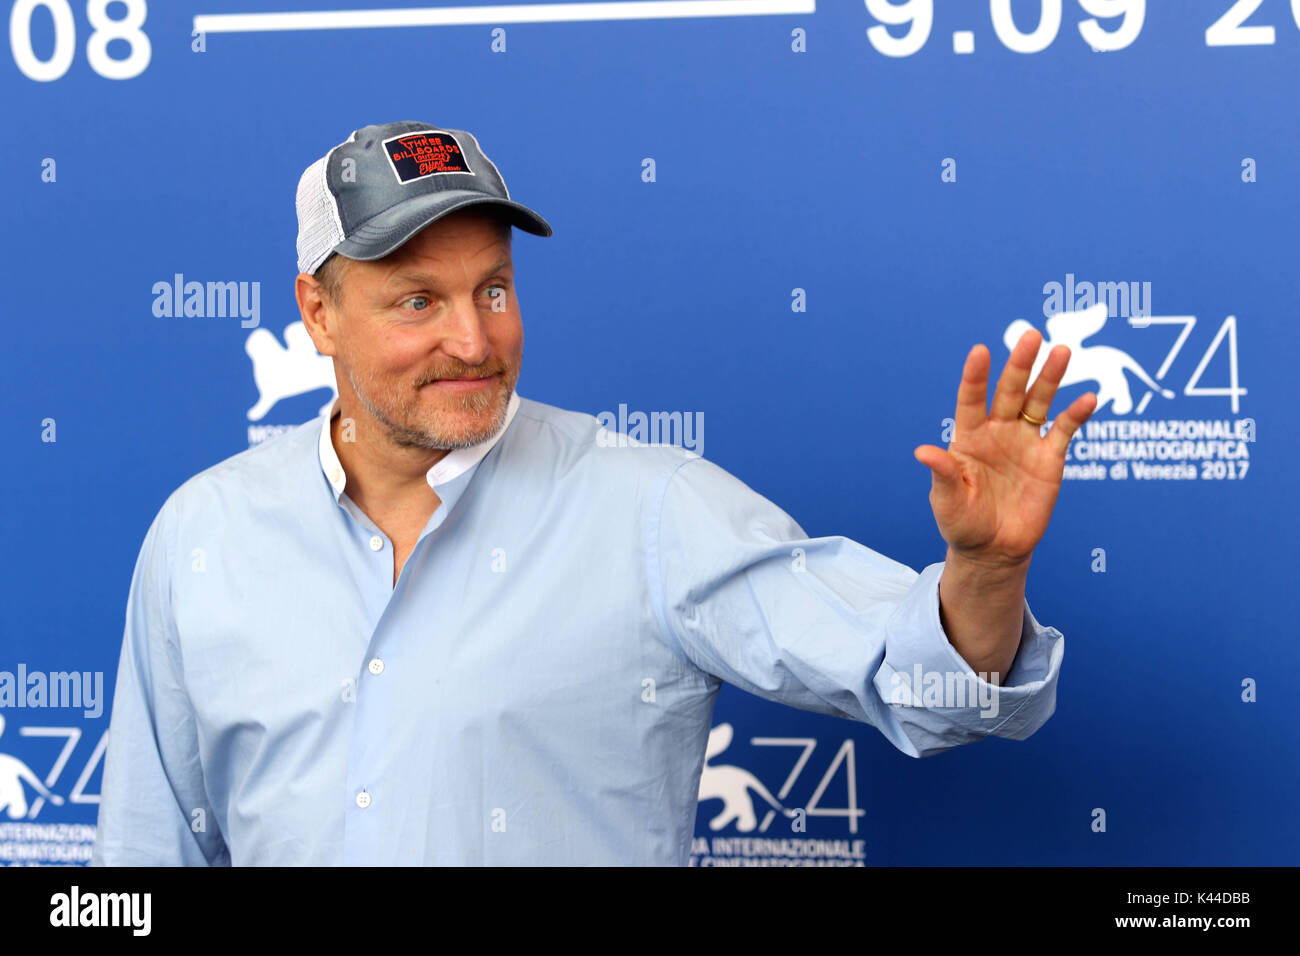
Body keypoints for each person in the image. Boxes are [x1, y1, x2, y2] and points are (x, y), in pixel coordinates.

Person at [91, 122, 1097, 866]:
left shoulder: (647, 509)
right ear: (318, 312)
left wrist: (986, 569)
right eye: (417, 301)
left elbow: (919, 682)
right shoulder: (203, 534)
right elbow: (145, 853)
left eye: (492, 288)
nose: (475, 340)